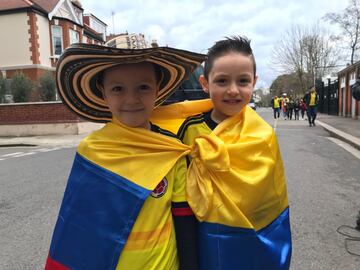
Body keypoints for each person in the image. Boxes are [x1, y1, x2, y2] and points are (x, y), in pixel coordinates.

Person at [44, 44, 205, 270]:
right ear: (103, 91)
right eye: (118, 89)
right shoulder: (92, 152)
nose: (131, 99)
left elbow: (184, 221)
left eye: (143, 87)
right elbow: (78, 228)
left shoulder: (172, 150)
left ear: (157, 89)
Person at [176, 36, 292, 270]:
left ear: (254, 82)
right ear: (204, 83)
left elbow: (272, 195)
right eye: (221, 81)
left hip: (253, 235)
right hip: (203, 233)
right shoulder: (188, 129)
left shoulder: (263, 133)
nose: (233, 90)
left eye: (242, 81)